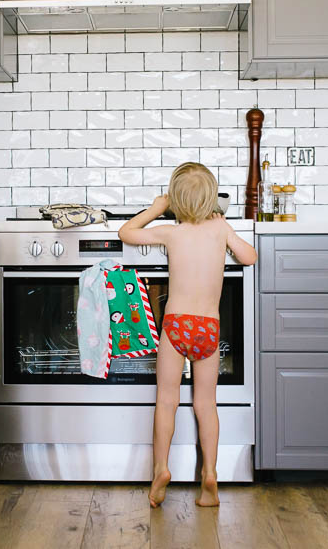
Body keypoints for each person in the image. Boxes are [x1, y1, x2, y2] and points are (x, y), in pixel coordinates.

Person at [118, 162, 257, 508]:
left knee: (167, 401)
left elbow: (126, 232)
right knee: (205, 404)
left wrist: (155, 209)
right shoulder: (220, 228)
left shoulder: (171, 231)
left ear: (175, 201)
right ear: (212, 197)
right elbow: (250, 257)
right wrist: (227, 236)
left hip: (176, 325)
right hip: (207, 328)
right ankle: (210, 473)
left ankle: (160, 470)